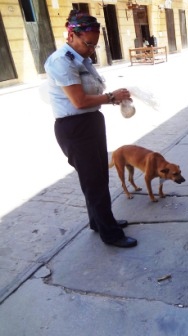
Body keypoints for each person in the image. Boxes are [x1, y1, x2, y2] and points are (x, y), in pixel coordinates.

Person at [44, 10, 137, 248]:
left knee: (98, 177)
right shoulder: (61, 61)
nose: (91, 49)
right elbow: (79, 101)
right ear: (72, 35)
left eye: (95, 45)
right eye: (88, 44)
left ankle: (99, 221)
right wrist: (111, 97)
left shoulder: (81, 59)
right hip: (74, 128)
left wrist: (114, 98)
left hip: (90, 123)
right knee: (93, 181)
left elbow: (92, 94)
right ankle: (111, 234)